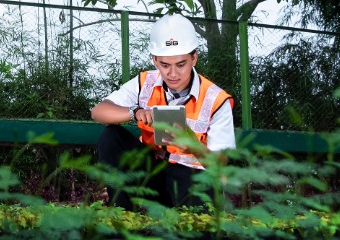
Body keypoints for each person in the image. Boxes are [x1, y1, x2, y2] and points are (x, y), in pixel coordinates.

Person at [90, 14, 235, 209]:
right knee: (111, 136)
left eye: (181, 64)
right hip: (153, 173)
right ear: (155, 60)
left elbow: (221, 164)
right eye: (165, 65)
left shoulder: (216, 99)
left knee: (198, 220)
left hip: (192, 177)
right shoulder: (145, 82)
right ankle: (122, 213)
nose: (172, 74)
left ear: (194, 58)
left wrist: (194, 146)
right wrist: (134, 112)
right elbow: (98, 111)